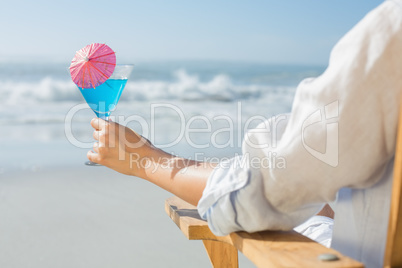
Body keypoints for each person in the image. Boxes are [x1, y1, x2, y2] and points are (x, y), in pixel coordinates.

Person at [87, 1, 402, 267]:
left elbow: (256, 192)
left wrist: (145, 161)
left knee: (291, 206)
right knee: (313, 203)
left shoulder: (392, 34)